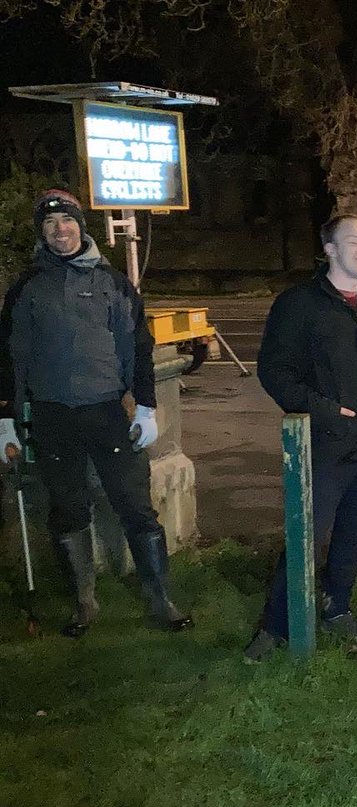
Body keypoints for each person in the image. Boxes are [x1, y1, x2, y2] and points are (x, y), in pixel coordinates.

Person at [0, 189, 192, 637]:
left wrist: (145, 406)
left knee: (136, 509)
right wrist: (7, 417)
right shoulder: (26, 289)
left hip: (107, 412)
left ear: (81, 227)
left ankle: (159, 598)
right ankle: (84, 603)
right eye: (50, 225)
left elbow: (139, 348)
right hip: (51, 417)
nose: (59, 231)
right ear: (42, 234)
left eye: (66, 222)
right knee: (68, 512)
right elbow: (9, 356)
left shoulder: (112, 284)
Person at [246, 215, 357, 661]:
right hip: (329, 443)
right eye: (354, 242)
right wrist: (324, 409)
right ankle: (277, 625)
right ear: (329, 249)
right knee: (306, 536)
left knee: (354, 536)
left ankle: (339, 607)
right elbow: (274, 371)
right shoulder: (300, 304)